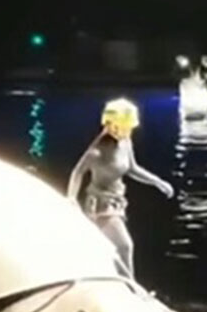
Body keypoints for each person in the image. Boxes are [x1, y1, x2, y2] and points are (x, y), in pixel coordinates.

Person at [67, 98, 175, 279]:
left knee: (111, 248)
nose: (128, 131)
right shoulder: (96, 152)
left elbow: (132, 168)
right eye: (125, 127)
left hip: (117, 201)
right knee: (124, 246)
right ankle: (131, 287)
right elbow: (78, 172)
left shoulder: (125, 142)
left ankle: (121, 282)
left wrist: (158, 182)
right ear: (112, 125)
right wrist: (71, 198)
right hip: (100, 205)